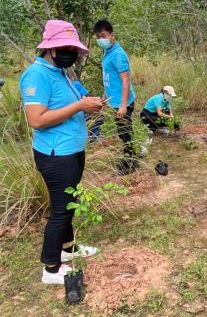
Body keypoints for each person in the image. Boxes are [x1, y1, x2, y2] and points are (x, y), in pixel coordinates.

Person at [19, 20, 103, 284]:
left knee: (69, 204)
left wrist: (87, 104)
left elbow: (67, 105)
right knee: (60, 211)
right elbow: (37, 119)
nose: (70, 53)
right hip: (56, 155)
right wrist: (79, 106)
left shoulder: (60, 72)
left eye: (73, 49)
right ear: (49, 48)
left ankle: (68, 249)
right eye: (64, 48)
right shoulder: (37, 74)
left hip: (72, 150)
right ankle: (51, 269)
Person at [93, 20, 137, 172]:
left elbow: (125, 80)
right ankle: (130, 159)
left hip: (123, 102)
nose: (101, 39)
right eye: (98, 37)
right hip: (114, 100)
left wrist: (124, 105)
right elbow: (109, 77)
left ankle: (130, 164)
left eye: (103, 35)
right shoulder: (107, 52)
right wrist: (105, 95)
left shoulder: (118, 54)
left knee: (125, 132)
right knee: (122, 132)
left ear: (112, 34)